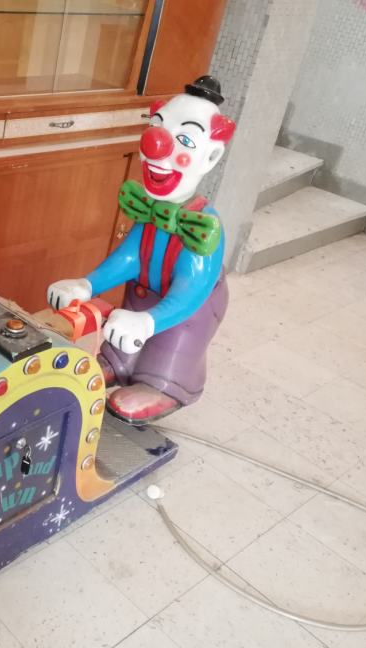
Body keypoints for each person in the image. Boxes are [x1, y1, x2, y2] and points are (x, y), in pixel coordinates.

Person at [47, 75, 236, 425]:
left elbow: (191, 288)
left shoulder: (204, 226)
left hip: (191, 306)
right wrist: (86, 285)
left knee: (173, 338)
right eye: (157, 128)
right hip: (144, 292)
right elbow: (130, 257)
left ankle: (164, 384)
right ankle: (119, 363)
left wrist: (149, 322)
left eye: (183, 139)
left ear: (210, 155)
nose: (156, 145)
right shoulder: (151, 211)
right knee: (124, 329)